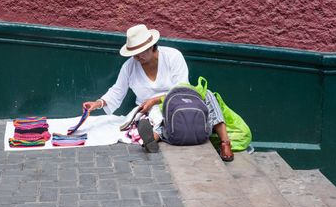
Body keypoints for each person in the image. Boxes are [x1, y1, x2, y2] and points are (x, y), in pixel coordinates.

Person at [83, 24, 234, 161]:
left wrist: (156, 100)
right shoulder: (129, 66)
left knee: (207, 95)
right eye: (134, 53)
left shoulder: (173, 56)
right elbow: (117, 91)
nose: (137, 57)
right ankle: (152, 137)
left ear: (152, 46)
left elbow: (183, 88)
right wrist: (97, 104)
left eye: (140, 52)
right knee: (156, 116)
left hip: (178, 102)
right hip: (149, 110)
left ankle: (225, 142)